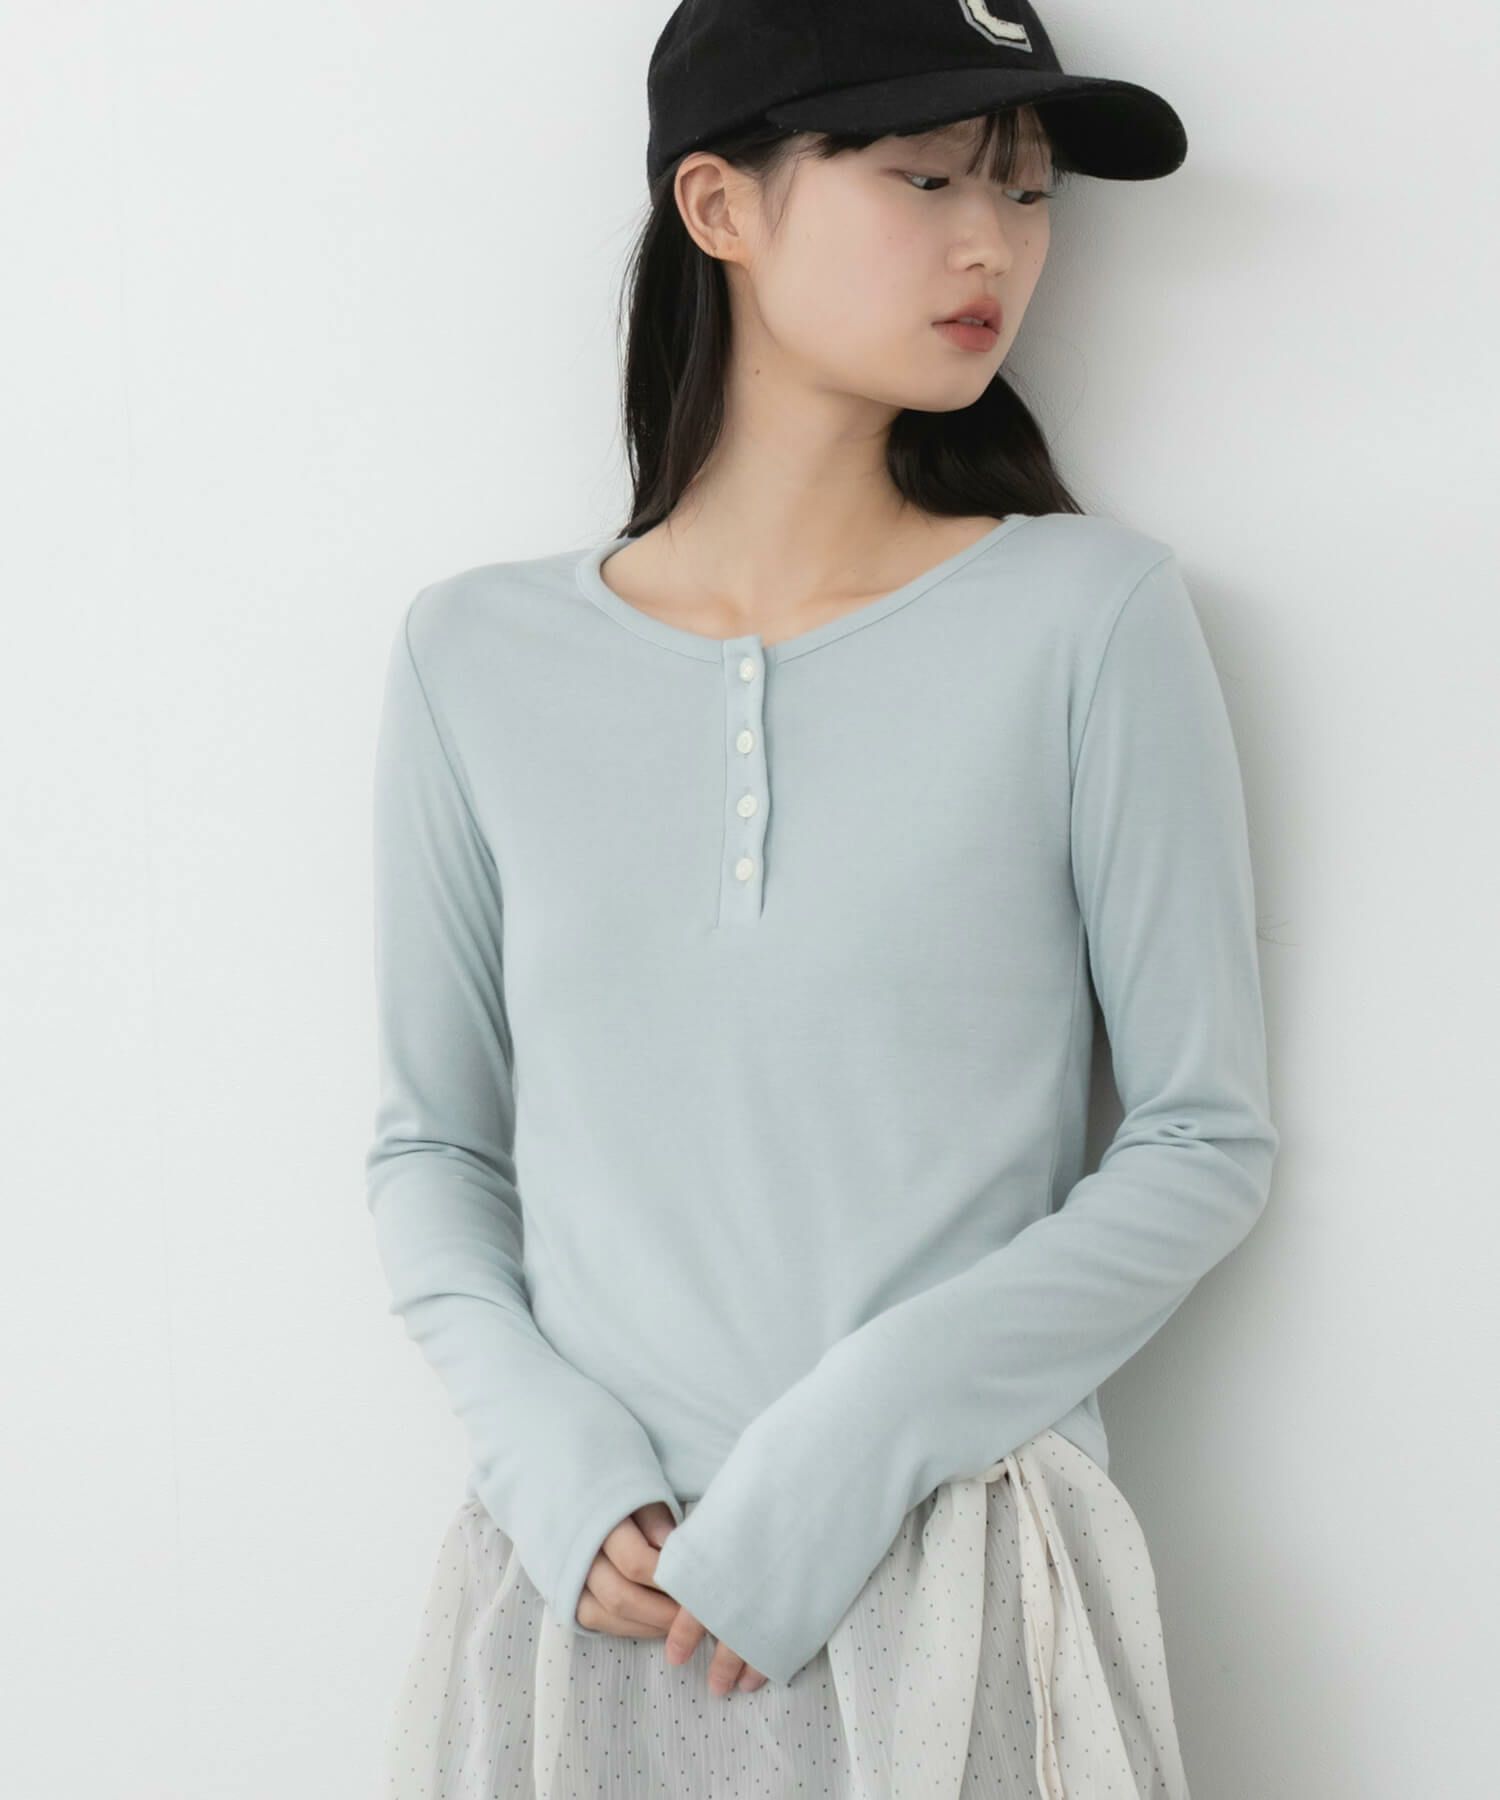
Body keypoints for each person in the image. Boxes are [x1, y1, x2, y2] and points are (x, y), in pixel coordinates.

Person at [365, 0, 1279, 1794]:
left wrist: (854, 1445)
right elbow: (434, 1150)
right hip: (586, 1597)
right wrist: (558, 1466)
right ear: (718, 206)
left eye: (1026, 191)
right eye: (926, 178)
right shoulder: (472, 655)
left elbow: (1201, 1138)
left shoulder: (1090, 618)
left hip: (952, 1569)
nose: (992, 245)